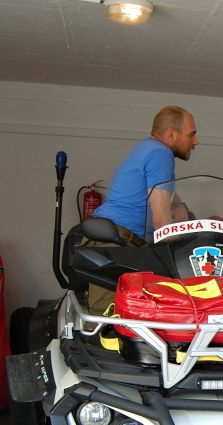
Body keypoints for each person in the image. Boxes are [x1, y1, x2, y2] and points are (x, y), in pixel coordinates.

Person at [86, 105, 198, 315]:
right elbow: (162, 224)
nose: (196, 141)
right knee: (112, 319)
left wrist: (179, 205)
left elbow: (158, 189)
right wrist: (189, 247)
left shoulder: (149, 149)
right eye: (191, 134)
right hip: (115, 245)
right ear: (171, 134)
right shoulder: (161, 154)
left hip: (120, 241)